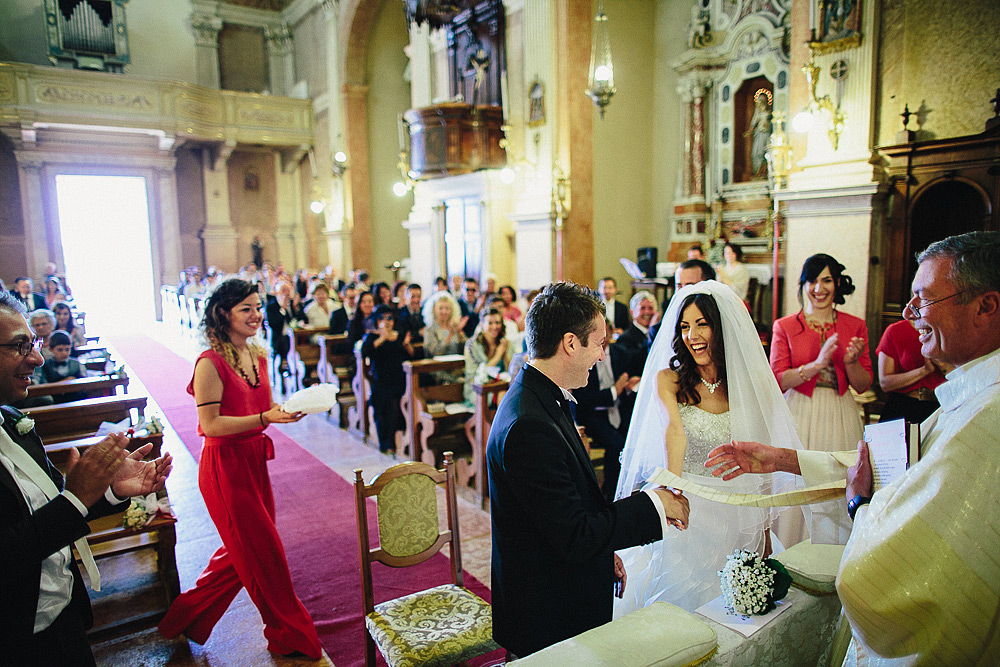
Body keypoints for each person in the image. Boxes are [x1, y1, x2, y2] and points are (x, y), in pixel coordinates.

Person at [706, 231, 1000, 666]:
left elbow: (902, 563)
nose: (908, 311)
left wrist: (860, 505)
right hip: (805, 414)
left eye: (924, 298)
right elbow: (892, 469)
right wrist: (782, 457)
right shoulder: (972, 394)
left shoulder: (987, 417)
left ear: (985, 307)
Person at [486, 281, 690, 658]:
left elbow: (564, 509)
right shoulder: (529, 424)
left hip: (560, 583)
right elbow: (575, 534)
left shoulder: (542, 395)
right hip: (546, 614)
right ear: (570, 343)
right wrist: (655, 505)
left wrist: (604, 551)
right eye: (598, 344)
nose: (601, 356)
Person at [0, 291, 171, 666]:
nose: (37, 358)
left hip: (65, 621)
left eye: (34, 343)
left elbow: (50, 515)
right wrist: (75, 498)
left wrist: (107, 492)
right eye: (18, 346)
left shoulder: (14, 422)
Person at [613, 281, 802, 616]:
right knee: (679, 602)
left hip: (740, 506)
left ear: (721, 326)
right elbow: (675, 432)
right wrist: (673, 492)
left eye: (702, 324)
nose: (692, 335)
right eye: (685, 326)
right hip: (691, 504)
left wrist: (764, 529)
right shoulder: (668, 379)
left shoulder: (753, 383)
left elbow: (764, 452)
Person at [158, 279, 321, 659]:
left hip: (254, 460)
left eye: (258, 307)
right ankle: (291, 634)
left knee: (242, 552)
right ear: (223, 314)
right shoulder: (209, 363)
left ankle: (185, 617)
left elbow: (259, 410)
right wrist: (266, 416)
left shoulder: (259, 356)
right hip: (224, 468)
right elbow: (212, 425)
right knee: (267, 555)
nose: (256, 315)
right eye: (246, 308)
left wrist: (288, 408)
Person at [770, 254, 871, 545]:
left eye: (826, 280)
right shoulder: (786, 326)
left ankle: (833, 549)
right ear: (804, 284)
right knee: (797, 479)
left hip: (839, 412)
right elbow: (778, 379)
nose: (819, 288)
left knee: (836, 480)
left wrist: (851, 362)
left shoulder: (855, 326)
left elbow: (863, 385)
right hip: (799, 410)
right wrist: (816, 364)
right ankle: (788, 547)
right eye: (813, 280)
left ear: (837, 284)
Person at [574, 318, 639, 502]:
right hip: (594, 413)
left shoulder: (622, 353)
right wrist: (614, 391)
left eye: (606, 332)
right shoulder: (583, 356)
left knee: (632, 439)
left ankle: (627, 488)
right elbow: (582, 398)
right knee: (616, 444)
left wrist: (627, 387)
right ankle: (609, 493)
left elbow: (629, 383)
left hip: (619, 409)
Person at [361, 305, 414, 454]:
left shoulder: (400, 335)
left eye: (389, 318)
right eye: (382, 318)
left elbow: (411, 356)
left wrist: (407, 345)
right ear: (377, 321)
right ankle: (388, 442)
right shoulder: (372, 337)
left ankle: (407, 441)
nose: (386, 321)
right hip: (382, 382)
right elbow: (366, 351)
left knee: (399, 398)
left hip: (401, 380)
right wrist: (382, 338)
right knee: (389, 403)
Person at [875, 319, 947, 424]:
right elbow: (885, 383)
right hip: (903, 406)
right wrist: (924, 370)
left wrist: (943, 366)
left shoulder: (949, 329)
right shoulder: (895, 330)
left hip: (941, 406)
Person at [463, 308, 510, 405]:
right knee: (503, 395)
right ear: (481, 324)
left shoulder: (503, 342)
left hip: (499, 386)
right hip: (477, 389)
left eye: (497, 323)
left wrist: (505, 354)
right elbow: (479, 376)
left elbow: (510, 371)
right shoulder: (472, 345)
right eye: (490, 323)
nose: (495, 327)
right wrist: (498, 355)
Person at [423, 291, 467, 382]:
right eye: (441, 308)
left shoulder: (455, 326)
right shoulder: (430, 330)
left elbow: (465, 349)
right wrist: (449, 335)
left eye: (447, 308)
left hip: (457, 368)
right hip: (438, 370)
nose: (444, 311)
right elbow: (435, 352)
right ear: (434, 309)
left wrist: (459, 334)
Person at [265, 282, 296, 376]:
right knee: (284, 340)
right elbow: (273, 323)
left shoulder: (290, 304)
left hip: (293, 335)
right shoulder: (271, 306)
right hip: (278, 336)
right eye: (283, 291)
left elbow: (296, 318)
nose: (286, 294)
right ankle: (284, 363)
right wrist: (282, 309)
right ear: (277, 293)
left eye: (287, 291)